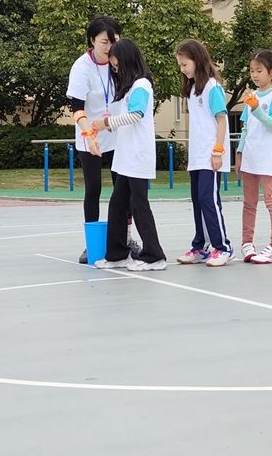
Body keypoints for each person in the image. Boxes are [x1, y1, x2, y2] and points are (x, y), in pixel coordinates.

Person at [87, 39, 166, 272]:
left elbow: (137, 115)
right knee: (118, 203)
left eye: (117, 65)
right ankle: (117, 254)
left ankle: (155, 255)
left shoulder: (141, 85)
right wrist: (106, 123)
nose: (116, 69)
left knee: (138, 204)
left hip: (137, 156)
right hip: (126, 157)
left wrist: (106, 123)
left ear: (127, 61)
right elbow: (125, 116)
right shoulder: (131, 88)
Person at [67, 16, 136, 263]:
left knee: (123, 188)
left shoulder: (121, 64)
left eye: (114, 41)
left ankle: (126, 239)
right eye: (104, 41)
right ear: (92, 41)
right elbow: (76, 106)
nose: (109, 47)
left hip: (117, 133)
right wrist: (88, 134)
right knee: (93, 188)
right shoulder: (82, 67)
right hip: (91, 134)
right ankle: (92, 243)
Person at [175, 39, 233, 267]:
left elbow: (222, 119)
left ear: (197, 61)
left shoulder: (212, 87)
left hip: (211, 156)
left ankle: (222, 246)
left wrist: (218, 150)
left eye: (184, 64)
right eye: (180, 65)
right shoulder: (192, 90)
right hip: (196, 157)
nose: (182, 69)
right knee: (198, 200)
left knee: (209, 200)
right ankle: (201, 245)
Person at [235, 50, 272, 265]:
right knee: (249, 202)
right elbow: (246, 127)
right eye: (252, 70)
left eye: (259, 70)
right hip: (251, 155)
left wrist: (256, 108)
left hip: (267, 155)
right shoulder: (252, 96)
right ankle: (247, 242)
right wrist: (239, 152)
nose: (255, 75)